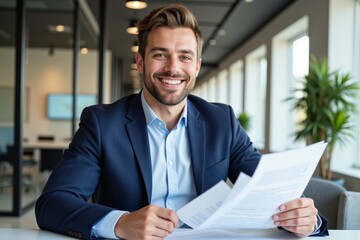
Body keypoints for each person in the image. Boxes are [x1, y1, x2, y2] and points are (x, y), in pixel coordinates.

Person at [35, 4, 328, 240]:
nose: (173, 68)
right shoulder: (102, 123)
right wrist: (120, 223)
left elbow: (270, 192)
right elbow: (53, 203)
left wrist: (307, 220)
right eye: (160, 55)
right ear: (140, 61)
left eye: (185, 57)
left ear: (197, 65)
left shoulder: (221, 121)